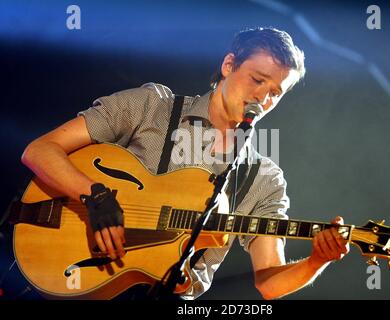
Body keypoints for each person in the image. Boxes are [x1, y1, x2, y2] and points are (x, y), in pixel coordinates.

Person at [21, 27, 349, 300]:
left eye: (276, 92)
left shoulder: (263, 178)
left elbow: (269, 283)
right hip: (71, 272)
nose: (262, 99)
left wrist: (317, 260)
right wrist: (94, 195)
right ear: (229, 65)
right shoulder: (152, 106)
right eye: (257, 80)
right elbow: (40, 150)